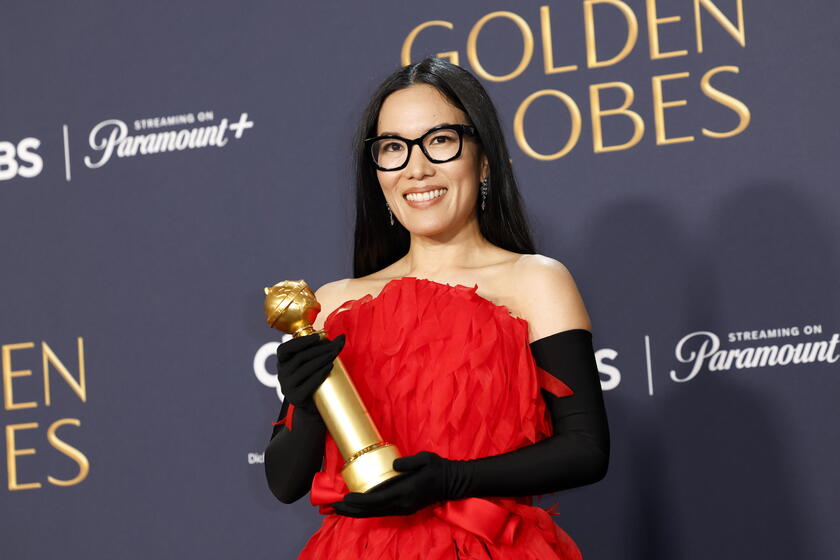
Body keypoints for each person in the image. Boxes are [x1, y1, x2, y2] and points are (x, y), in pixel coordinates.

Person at [264, 57, 609, 559]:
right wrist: (304, 404)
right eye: (393, 148)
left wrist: (452, 479)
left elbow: (586, 449)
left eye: (440, 140)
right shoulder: (333, 302)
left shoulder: (536, 281)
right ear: (376, 171)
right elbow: (283, 480)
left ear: (484, 158)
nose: (416, 167)